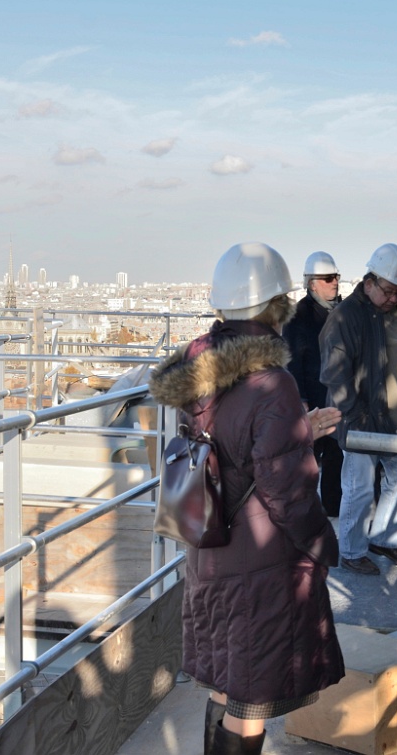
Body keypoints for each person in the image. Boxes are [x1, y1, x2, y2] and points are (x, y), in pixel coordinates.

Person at [149, 242, 345, 754]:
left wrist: (299, 428)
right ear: (275, 307)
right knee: (250, 701)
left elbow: (229, 448)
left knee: (225, 682)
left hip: (210, 549)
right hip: (259, 563)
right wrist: (322, 545)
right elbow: (285, 487)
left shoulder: (200, 369)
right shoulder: (271, 383)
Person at [319, 242, 397, 575]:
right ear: (369, 282)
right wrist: (355, 417)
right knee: (358, 490)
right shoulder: (346, 316)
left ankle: (385, 538)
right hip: (361, 421)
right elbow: (333, 373)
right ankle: (352, 551)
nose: (394, 297)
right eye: (389, 290)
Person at [283, 251, 344, 517]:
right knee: (308, 460)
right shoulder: (297, 317)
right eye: (328, 278)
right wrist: (301, 400)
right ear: (311, 284)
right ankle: (304, 511)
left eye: (336, 277)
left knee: (335, 458)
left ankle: (332, 509)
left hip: (338, 398)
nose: (334, 282)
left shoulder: (342, 311)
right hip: (313, 399)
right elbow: (293, 362)